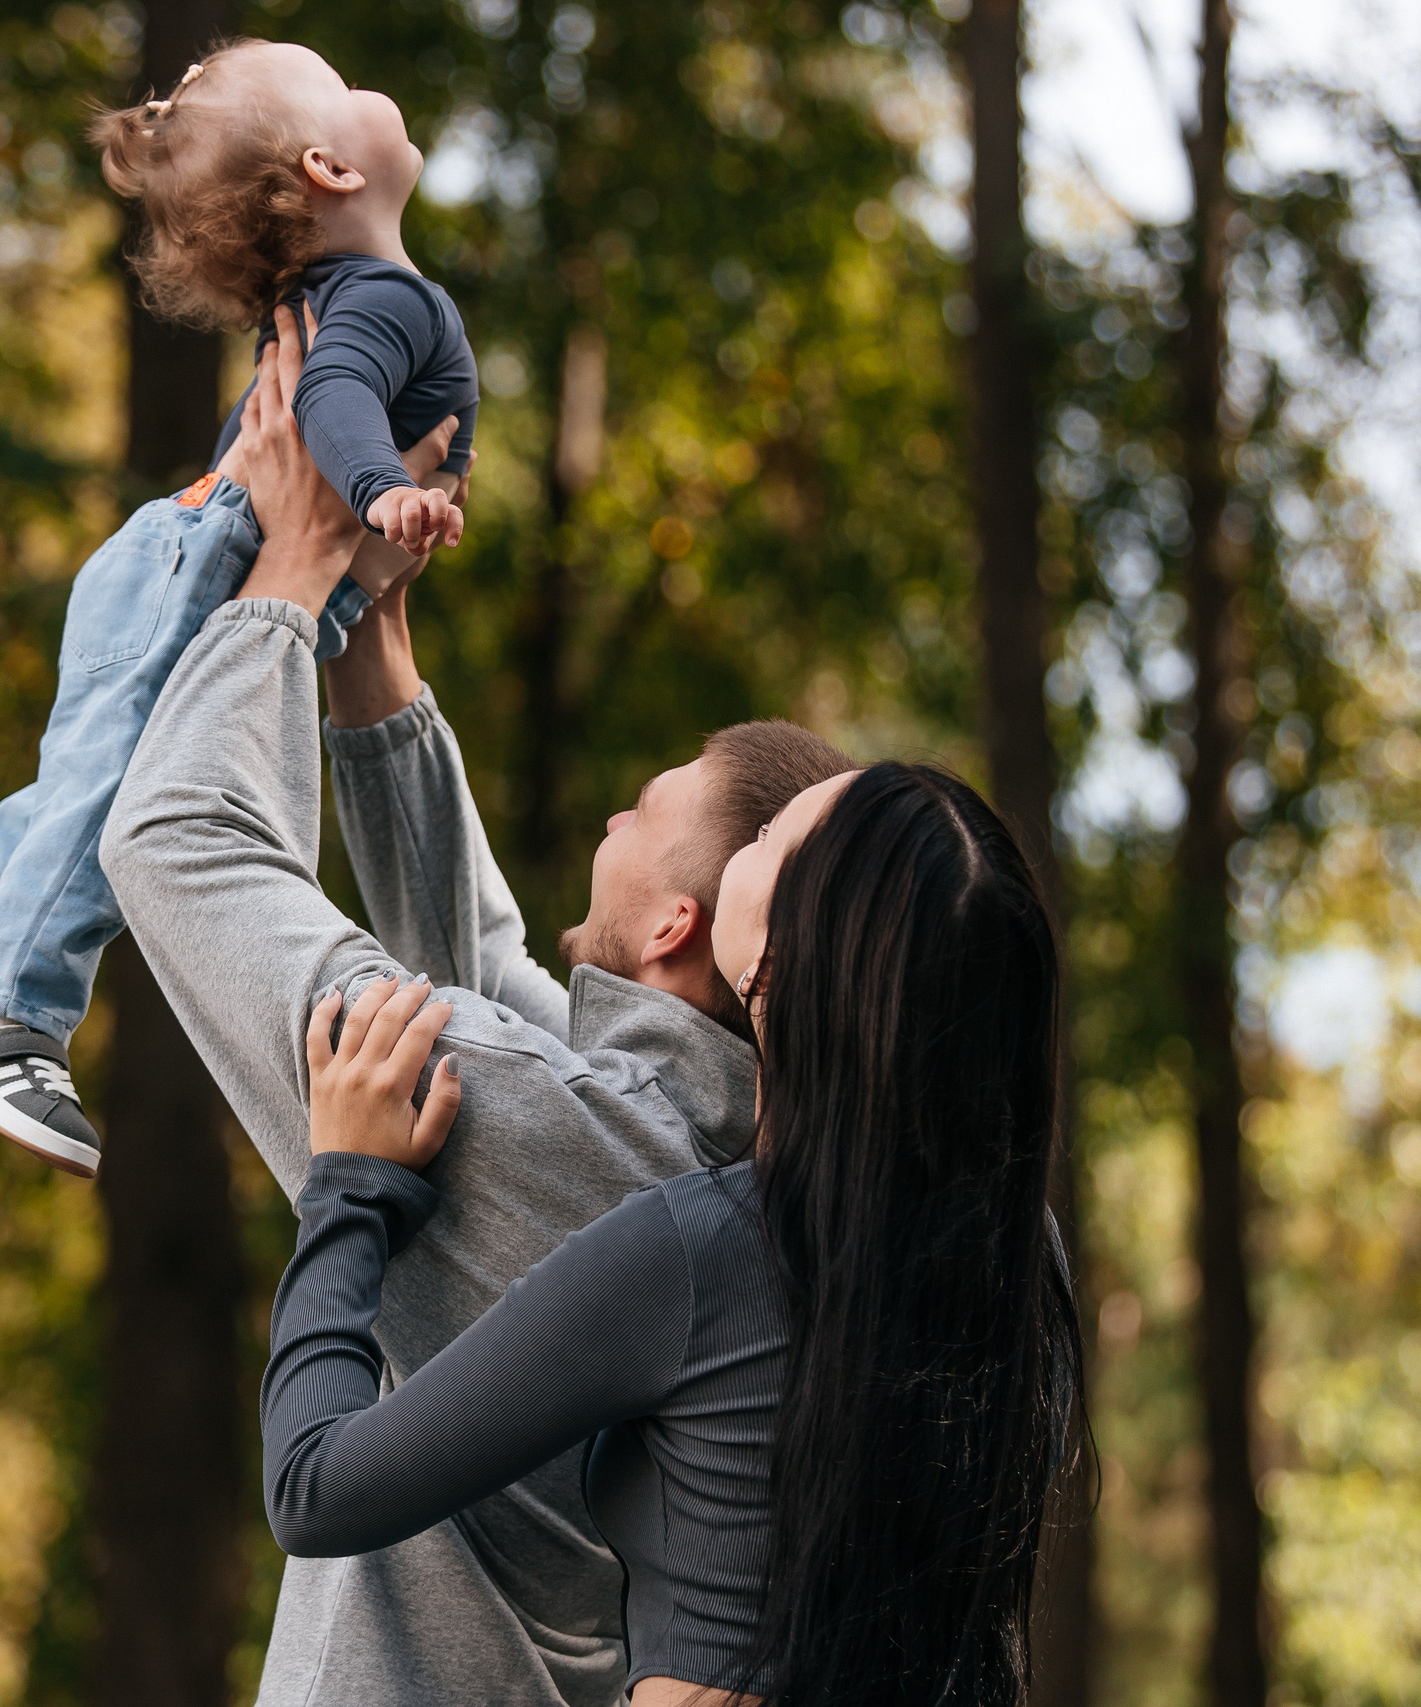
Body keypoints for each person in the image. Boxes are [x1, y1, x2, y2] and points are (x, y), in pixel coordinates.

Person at [95, 311, 852, 1706]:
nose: (614, 815)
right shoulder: (706, 1152)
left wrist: (292, 565)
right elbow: (477, 971)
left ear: (677, 925)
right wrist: (371, 626)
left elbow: (179, 842)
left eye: (643, 811)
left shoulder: (574, 1144)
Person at [262, 755, 1085, 1707]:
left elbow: (316, 1488)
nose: (745, 844)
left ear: (770, 962)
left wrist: (348, 1185)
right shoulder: (1026, 1269)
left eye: (769, 840)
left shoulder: (698, 1253)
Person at [0, 37, 478, 1195]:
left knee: (64, 794)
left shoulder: (342, 297)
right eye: (338, 82)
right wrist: (381, 490)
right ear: (330, 167)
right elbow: (332, 398)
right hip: (205, 559)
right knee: (106, 796)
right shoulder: (386, 299)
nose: (370, 85)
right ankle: (10, 1025)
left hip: (170, 552)